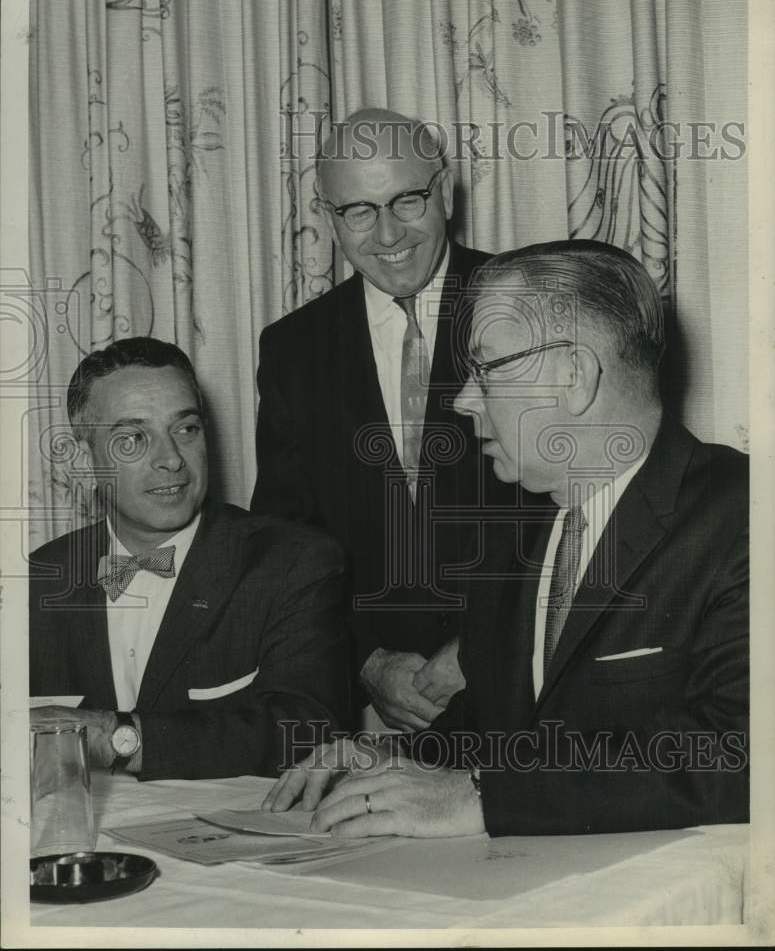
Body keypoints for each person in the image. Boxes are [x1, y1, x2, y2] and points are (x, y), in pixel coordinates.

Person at [262, 239, 749, 837]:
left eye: (486, 369)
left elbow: (736, 753)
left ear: (573, 376)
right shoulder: (511, 526)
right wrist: (401, 760)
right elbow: (509, 732)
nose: (463, 400)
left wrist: (480, 797)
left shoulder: (743, 515)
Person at [251, 107, 514, 732]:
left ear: (444, 191)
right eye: (359, 211)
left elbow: (581, 508)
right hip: (379, 718)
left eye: (407, 201)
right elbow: (287, 545)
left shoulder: (526, 300)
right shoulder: (293, 348)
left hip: (528, 695)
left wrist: (484, 647)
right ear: (329, 216)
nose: (388, 234)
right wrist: (366, 662)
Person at [29, 337, 350, 780]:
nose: (171, 459)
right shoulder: (34, 581)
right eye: (132, 439)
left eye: (186, 429)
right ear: (86, 462)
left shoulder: (292, 562)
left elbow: (306, 733)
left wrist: (113, 737)